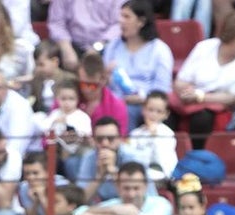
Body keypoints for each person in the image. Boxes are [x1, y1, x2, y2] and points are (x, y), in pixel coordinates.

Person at [171, 9, 235, 149]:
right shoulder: (205, 47)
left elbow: (233, 98)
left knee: (202, 117)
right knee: (166, 112)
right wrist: (185, 92)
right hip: (189, 99)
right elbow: (181, 80)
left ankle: (197, 156)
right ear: (232, 32)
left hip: (219, 107)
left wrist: (200, 97)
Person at [103, 0, 173, 131]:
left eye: (126, 17)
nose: (121, 21)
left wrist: (142, 97)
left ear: (141, 21)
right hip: (115, 100)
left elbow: (162, 89)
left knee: (127, 111)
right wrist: (105, 76)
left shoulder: (159, 50)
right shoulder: (113, 46)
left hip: (145, 103)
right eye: (120, 16)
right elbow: (105, 84)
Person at [75, 160, 172, 215]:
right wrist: (113, 210)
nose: (131, 194)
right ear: (117, 186)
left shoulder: (161, 204)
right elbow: (78, 212)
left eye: (136, 188)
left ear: (146, 186)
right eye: (126, 188)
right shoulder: (114, 205)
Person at [34, 76, 92, 178]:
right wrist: (55, 123)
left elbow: (86, 133)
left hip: (76, 153)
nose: (67, 103)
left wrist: (69, 126)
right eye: (63, 99)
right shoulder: (55, 114)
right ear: (57, 99)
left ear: (77, 99)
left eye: (71, 99)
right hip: (57, 153)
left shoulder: (82, 116)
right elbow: (44, 129)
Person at [47, 0, 123, 71]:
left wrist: (96, 48)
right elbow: (56, 23)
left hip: (104, 45)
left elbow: (118, 24)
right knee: (50, 57)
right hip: (72, 43)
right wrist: (67, 49)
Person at [75, 116, 135, 203]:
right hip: (102, 207)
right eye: (99, 139)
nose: (105, 143)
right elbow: (81, 200)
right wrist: (100, 175)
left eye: (110, 138)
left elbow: (134, 198)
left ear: (119, 139)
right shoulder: (89, 158)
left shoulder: (132, 157)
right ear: (94, 140)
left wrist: (113, 171)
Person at [126, 90, 177, 182]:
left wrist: (153, 135)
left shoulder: (168, 133)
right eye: (150, 110)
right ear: (143, 110)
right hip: (138, 174)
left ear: (166, 114)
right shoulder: (135, 133)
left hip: (161, 174)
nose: (154, 114)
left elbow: (162, 159)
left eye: (159, 111)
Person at [27, 39, 63, 115]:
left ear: (55, 61)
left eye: (41, 65)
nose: (38, 69)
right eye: (36, 65)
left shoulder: (66, 80)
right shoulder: (37, 80)